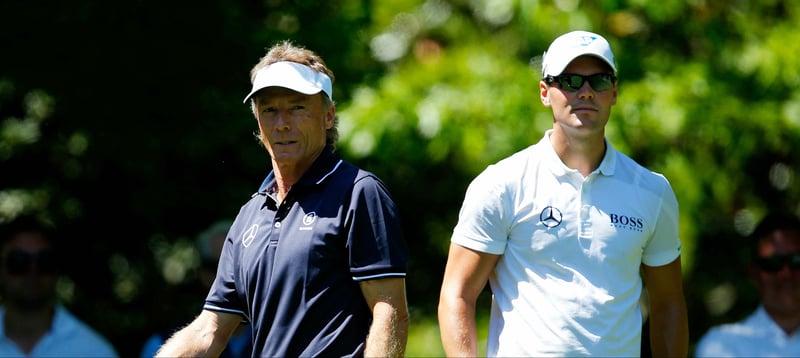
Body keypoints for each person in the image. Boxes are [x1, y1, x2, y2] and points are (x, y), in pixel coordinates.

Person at [438, 30, 689, 357]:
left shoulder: (653, 191)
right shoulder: (502, 184)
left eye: (598, 81)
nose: (585, 92)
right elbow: (457, 293)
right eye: (570, 81)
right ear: (545, 92)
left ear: (613, 92)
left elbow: (669, 303)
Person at [156, 40, 410, 357]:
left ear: (328, 116)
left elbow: (390, 314)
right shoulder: (250, 214)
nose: (282, 123)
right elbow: (209, 330)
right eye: (269, 110)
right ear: (258, 122)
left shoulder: (359, 192)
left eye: (297, 107)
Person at [0, 216, 119, 357]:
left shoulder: (94, 351)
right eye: (18, 261)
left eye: (44, 261)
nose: (33, 270)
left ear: (57, 270)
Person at [139, 220, 252, 358]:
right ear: (202, 274)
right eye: (217, 267)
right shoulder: (160, 345)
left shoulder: (279, 336)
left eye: (239, 267)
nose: (231, 278)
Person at [695, 212, 800, 356]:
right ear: (754, 273)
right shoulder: (722, 345)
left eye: (796, 260)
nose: (785, 274)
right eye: (772, 264)